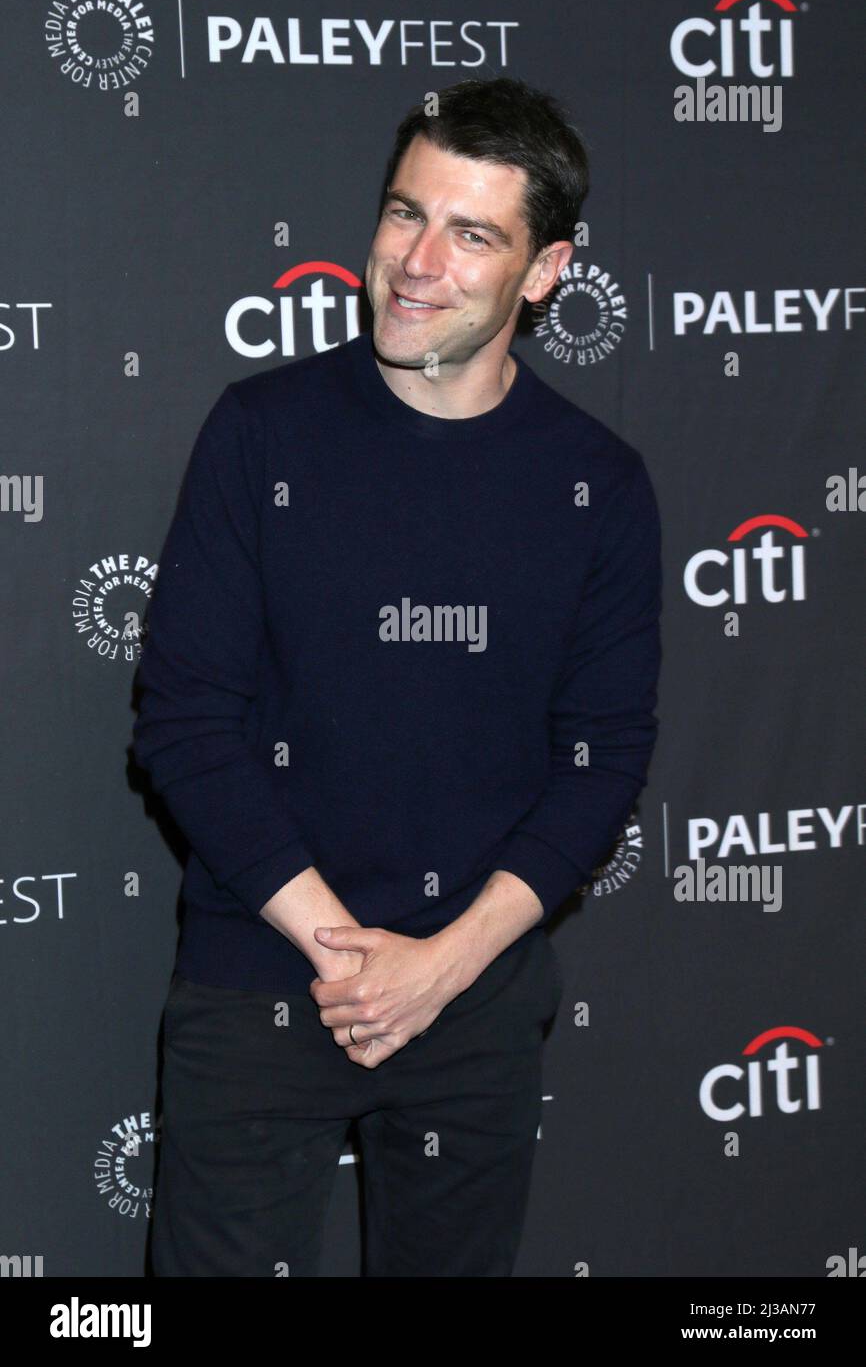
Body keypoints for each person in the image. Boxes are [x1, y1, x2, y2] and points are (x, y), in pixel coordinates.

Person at [132, 75, 663, 1277]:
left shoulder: (599, 485)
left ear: (543, 272)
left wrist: (442, 965)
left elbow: (604, 755)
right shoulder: (260, 431)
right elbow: (185, 720)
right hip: (263, 978)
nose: (416, 261)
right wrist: (349, 957)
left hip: (474, 997)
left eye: (470, 233)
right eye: (402, 213)